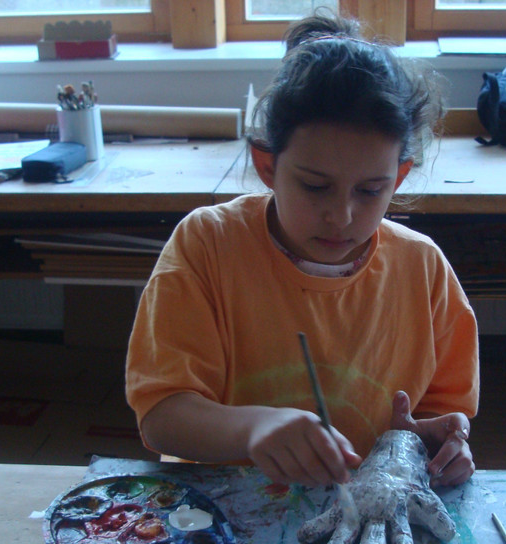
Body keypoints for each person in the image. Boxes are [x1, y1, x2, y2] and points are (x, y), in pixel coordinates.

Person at [125, 12, 479, 489]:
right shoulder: (207, 245)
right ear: (267, 166)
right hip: (219, 514)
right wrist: (253, 428)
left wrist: (435, 442)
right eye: (315, 186)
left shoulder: (423, 269)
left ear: (398, 177)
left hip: (363, 508)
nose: (342, 216)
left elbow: (444, 412)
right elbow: (161, 418)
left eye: (370, 190)